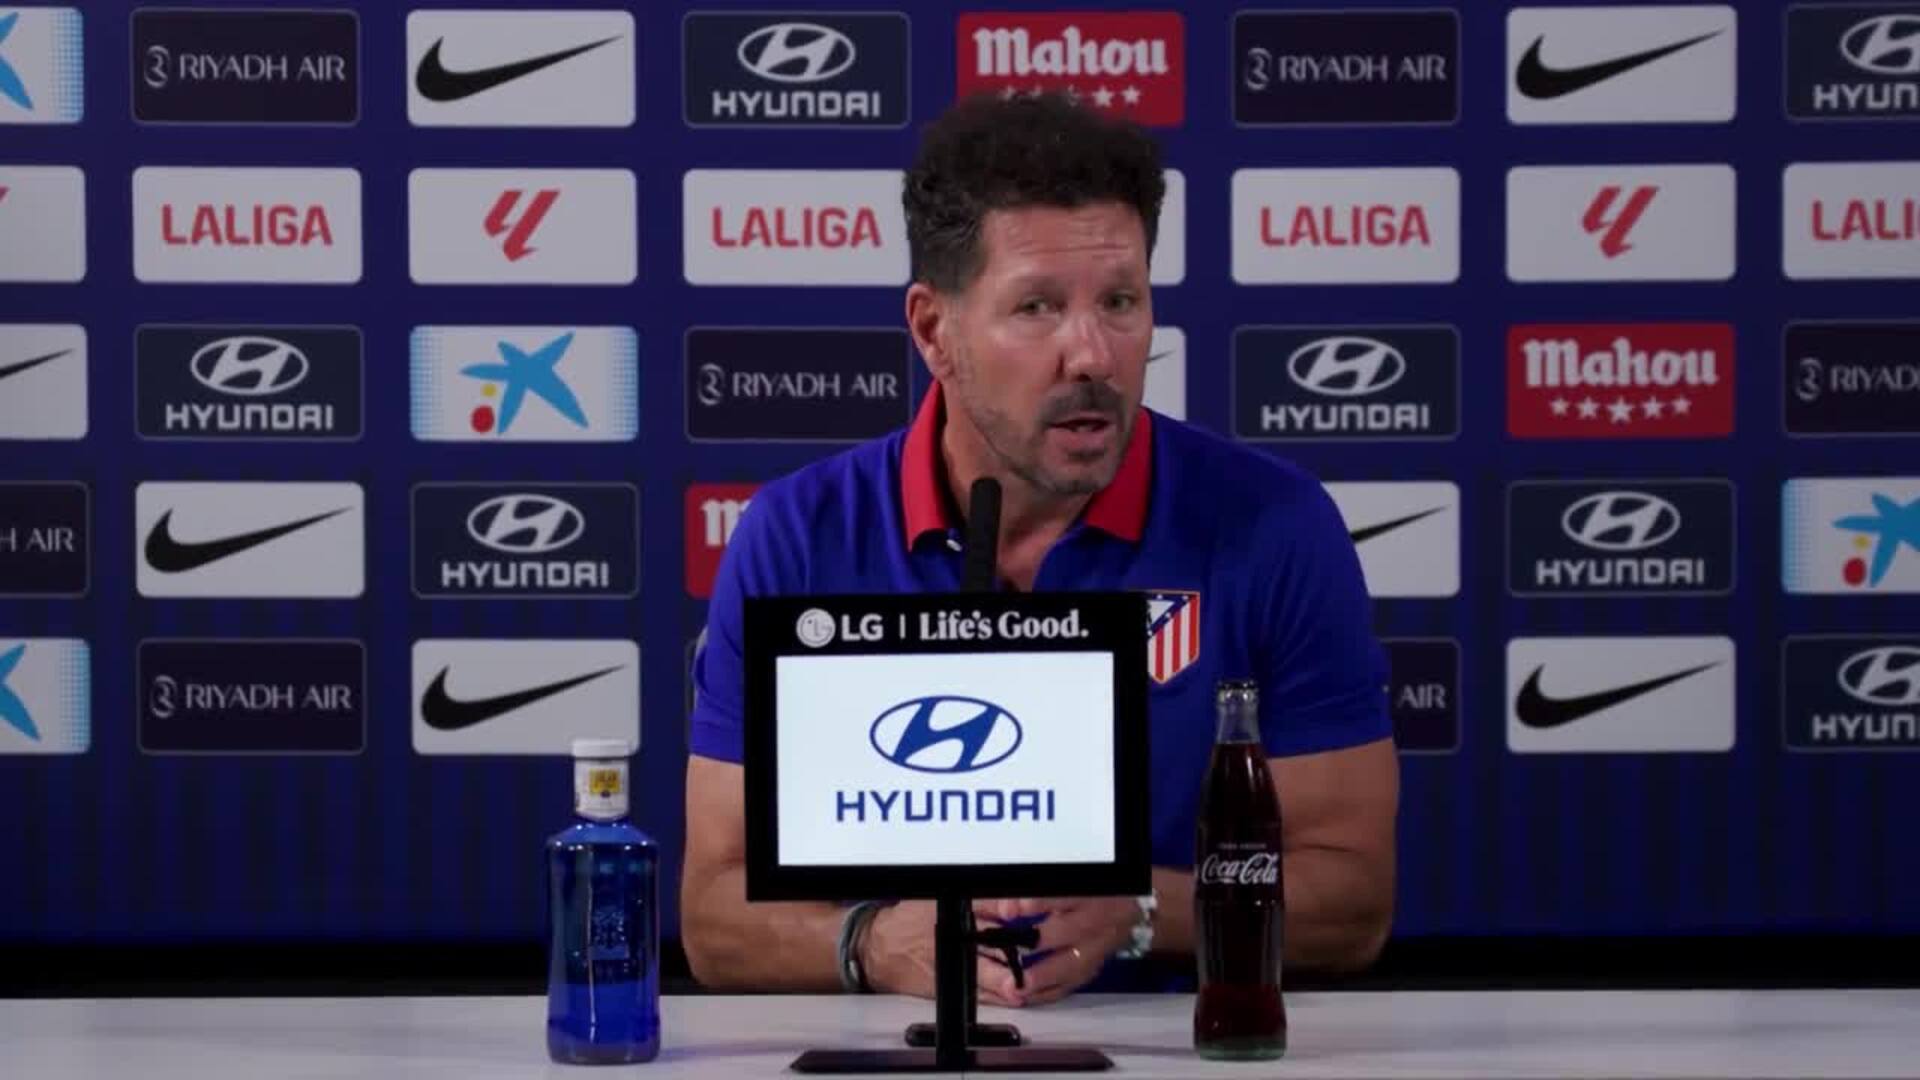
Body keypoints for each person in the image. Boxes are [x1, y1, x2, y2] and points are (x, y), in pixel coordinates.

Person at [681, 92, 1398, 1007]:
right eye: (1037, 308)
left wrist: (1141, 911)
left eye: (1121, 302)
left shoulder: (1275, 525)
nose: (1091, 355)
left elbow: (1352, 901)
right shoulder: (796, 535)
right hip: (898, 1049)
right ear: (934, 331)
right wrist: (875, 942)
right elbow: (715, 915)